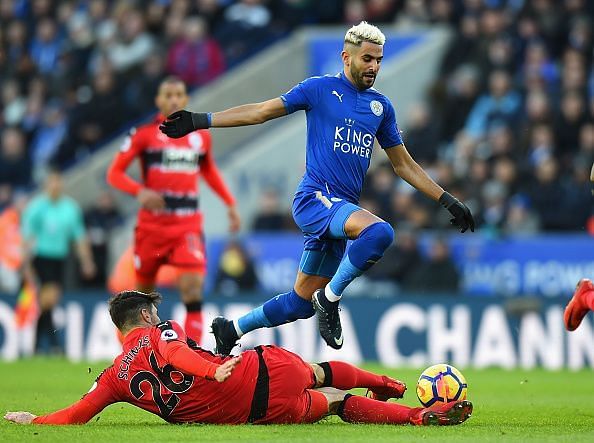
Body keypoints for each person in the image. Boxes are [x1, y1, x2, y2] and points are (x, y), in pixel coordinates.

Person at [160, 21, 475, 354]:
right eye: (367, 59)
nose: (374, 67)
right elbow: (262, 112)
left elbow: (403, 164)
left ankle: (233, 329)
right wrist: (201, 120)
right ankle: (330, 299)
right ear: (346, 57)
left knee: (300, 304)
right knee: (380, 233)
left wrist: (448, 200)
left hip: (338, 214)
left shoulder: (381, 108)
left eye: (378, 60)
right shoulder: (319, 89)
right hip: (315, 199)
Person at [4, 290, 473, 426]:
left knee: (330, 401)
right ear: (147, 314)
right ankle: (388, 386)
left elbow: (78, 414)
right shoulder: (161, 332)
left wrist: (35, 421)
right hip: (259, 369)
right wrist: (212, 366)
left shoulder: (113, 379)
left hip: (257, 414)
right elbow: (171, 350)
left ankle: (414, 417)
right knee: (317, 372)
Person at [107, 76, 240, 344]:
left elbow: (209, 171)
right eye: (168, 95)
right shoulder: (144, 134)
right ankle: (132, 357)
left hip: (186, 226)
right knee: (140, 299)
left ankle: (190, 353)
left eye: (178, 95)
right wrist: (140, 191)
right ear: (159, 100)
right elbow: (114, 173)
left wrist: (229, 203)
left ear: (186, 99)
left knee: (192, 289)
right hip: (152, 227)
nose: (173, 100)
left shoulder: (199, 138)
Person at [21, 170, 96, 353]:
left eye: (58, 183)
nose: (55, 186)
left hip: (60, 259)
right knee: (49, 298)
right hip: (41, 258)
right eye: (52, 183)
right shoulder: (37, 207)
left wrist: (87, 261)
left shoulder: (70, 208)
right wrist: (25, 265)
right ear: (47, 185)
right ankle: (53, 344)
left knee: (48, 302)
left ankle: (38, 345)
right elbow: (26, 237)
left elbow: (79, 237)